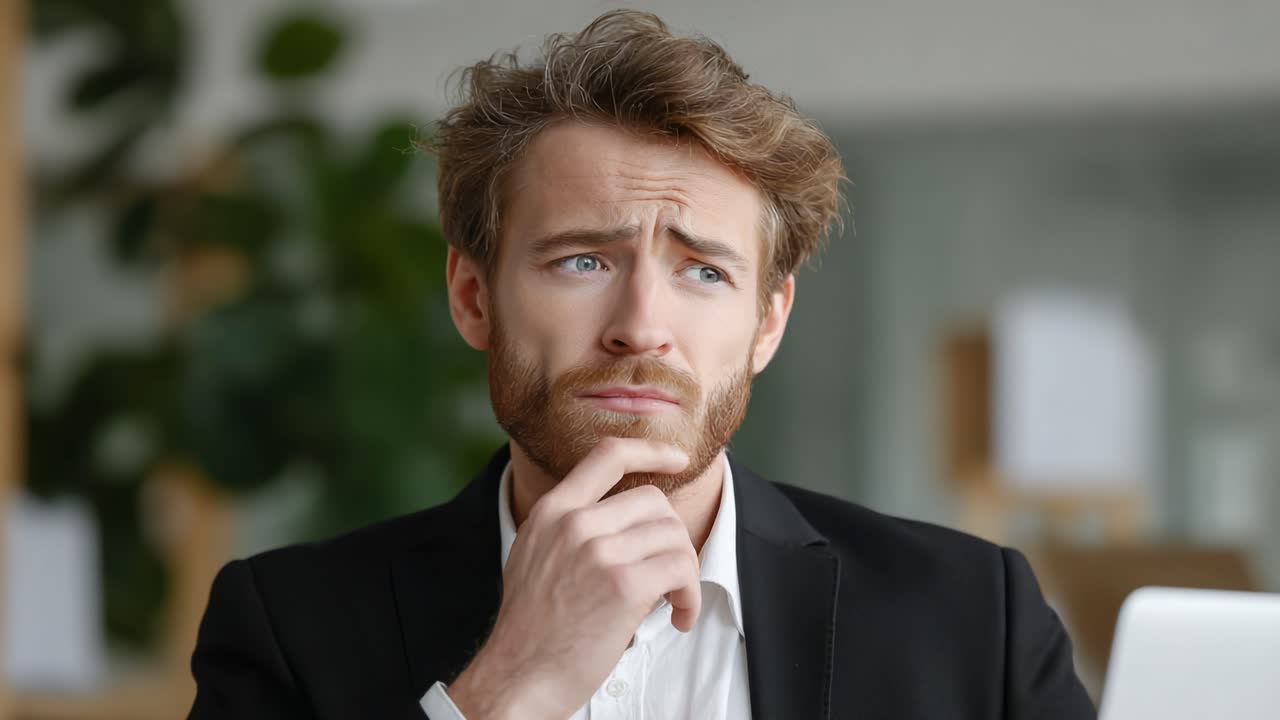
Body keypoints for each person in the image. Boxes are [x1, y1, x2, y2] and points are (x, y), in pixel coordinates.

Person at [188, 10, 1096, 720]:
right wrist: (508, 687)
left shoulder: (974, 617)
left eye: (704, 272)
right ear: (472, 297)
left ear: (767, 323)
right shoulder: (288, 626)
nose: (640, 329)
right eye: (583, 260)